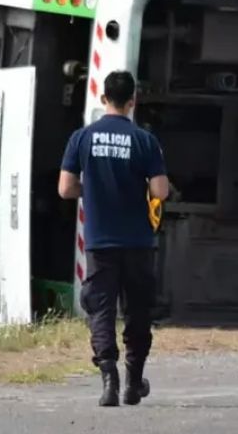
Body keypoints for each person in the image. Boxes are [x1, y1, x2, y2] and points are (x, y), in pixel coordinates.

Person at [58, 70, 170, 407]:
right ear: (132, 101)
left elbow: (65, 188)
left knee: (101, 309)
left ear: (103, 98)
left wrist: (90, 189)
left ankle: (109, 379)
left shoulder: (82, 138)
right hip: (137, 241)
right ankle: (133, 383)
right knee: (137, 311)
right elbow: (160, 191)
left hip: (100, 241)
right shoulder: (145, 140)